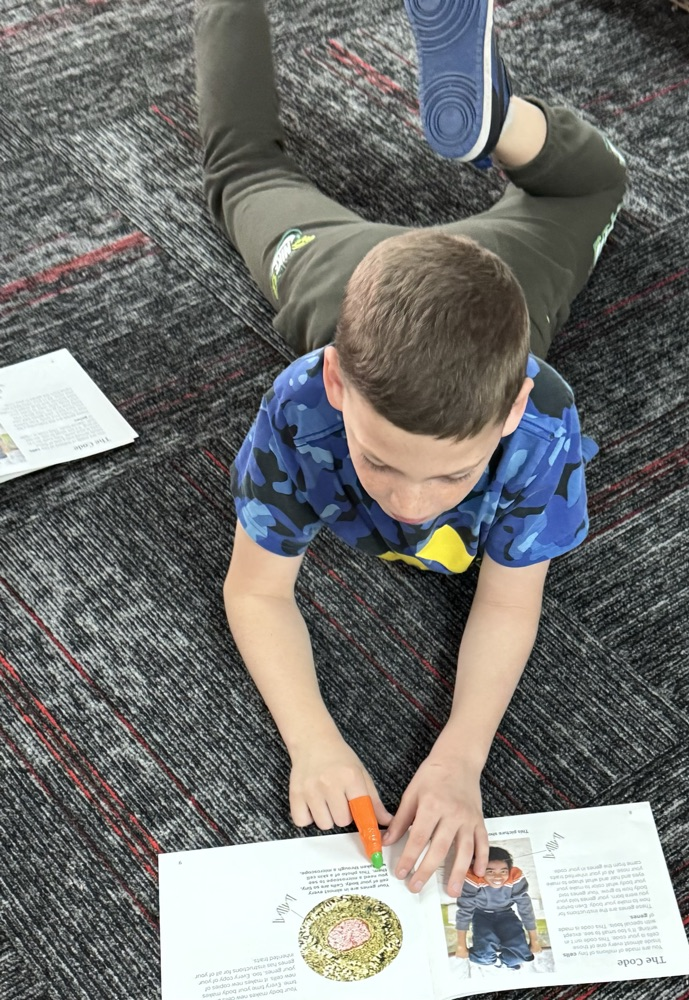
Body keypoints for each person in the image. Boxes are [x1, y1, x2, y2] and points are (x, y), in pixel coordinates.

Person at [195, 0, 626, 898]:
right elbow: (255, 587)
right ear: (339, 386)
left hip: (499, 279)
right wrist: (312, 739)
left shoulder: (542, 420)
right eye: (382, 462)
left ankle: (493, 114)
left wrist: (462, 756)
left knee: (599, 183)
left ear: (509, 414)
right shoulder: (303, 401)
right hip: (337, 274)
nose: (412, 503)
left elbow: (511, 604)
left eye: (454, 474)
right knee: (238, 171)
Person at [454, 846, 541, 975]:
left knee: (519, 955)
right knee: (485, 951)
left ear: (509, 870)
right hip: (481, 914)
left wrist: (534, 940)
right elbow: (465, 910)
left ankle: (506, 963)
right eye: (490, 871)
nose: (497, 877)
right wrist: (461, 945)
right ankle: (492, 963)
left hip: (507, 914)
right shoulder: (472, 877)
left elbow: (525, 907)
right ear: (480, 870)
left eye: (503, 871)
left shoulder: (515, 876)